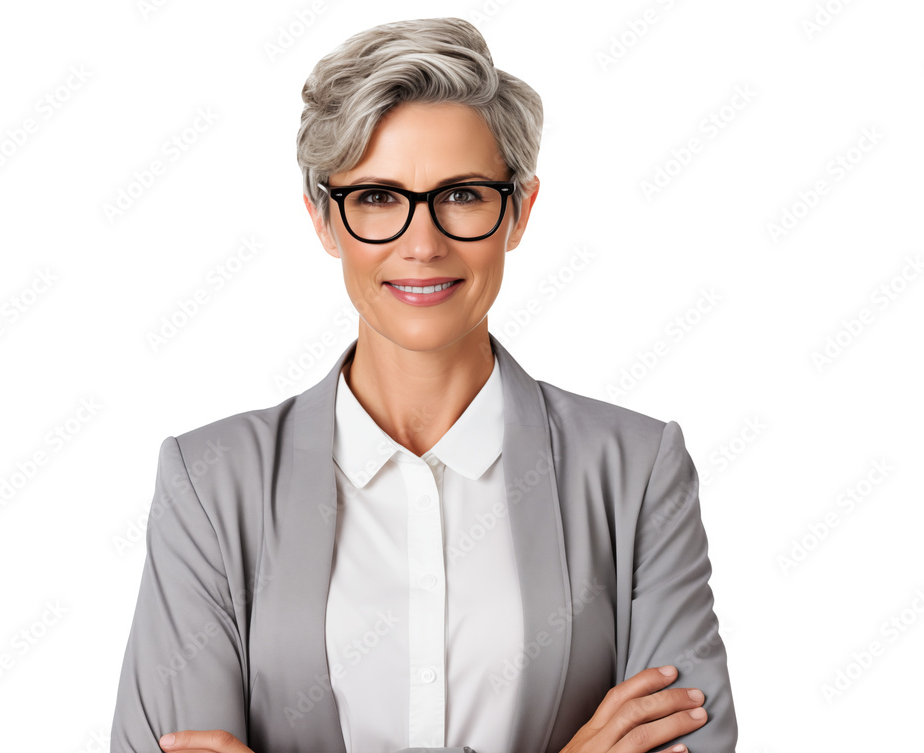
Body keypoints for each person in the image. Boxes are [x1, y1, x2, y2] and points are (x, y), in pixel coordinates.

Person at [110, 17, 737, 753]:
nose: (422, 242)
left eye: (463, 194)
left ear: (519, 211)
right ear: (322, 218)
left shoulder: (635, 468)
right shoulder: (211, 482)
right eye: (376, 197)